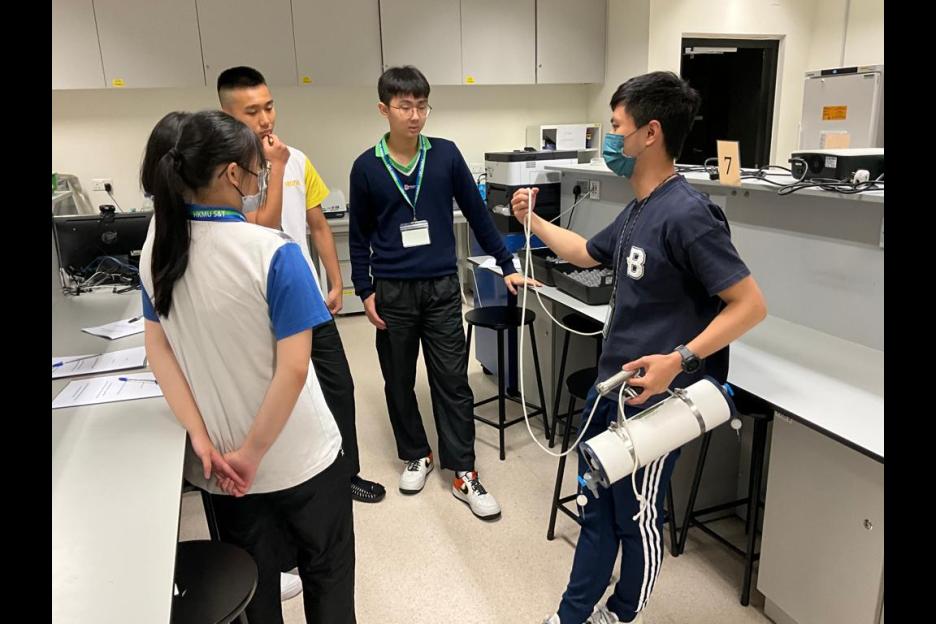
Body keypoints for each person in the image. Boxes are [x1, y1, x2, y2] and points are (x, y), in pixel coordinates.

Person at [510, 72, 767, 624]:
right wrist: (533, 222)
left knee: (635, 515)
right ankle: (573, 615)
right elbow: (585, 253)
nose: (611, 140)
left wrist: (680, 360)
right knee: (596, 505)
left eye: (615, 127)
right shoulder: (639, 209)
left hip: (657, 400)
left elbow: (749, 305)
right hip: (615, 386)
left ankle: (624, 614)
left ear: (650, 133)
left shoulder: (689, 213)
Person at [140, 110, 356, 623]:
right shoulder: (273, 253)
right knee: (326, 578)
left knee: (255, 594)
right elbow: (294, 370)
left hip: (222, 469)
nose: (261, 180)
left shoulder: (156, 253)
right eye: (258, 171)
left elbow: (159, 353)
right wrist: (253, 454)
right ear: (232, 174)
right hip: (299, 460)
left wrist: (201, 440)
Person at [348, 65, 538, 520]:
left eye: (421, 106)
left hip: (440, 288)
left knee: (452, 380)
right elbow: (358, 235)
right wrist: (364, 289)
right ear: (384, 109)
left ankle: (463, 471)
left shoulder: (446, 156)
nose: (415, 116)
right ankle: (417, 453)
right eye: (404, 107)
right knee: (398, 380)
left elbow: (478, 216)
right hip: (392, 290)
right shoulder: (366, 167)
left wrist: (507, 265)